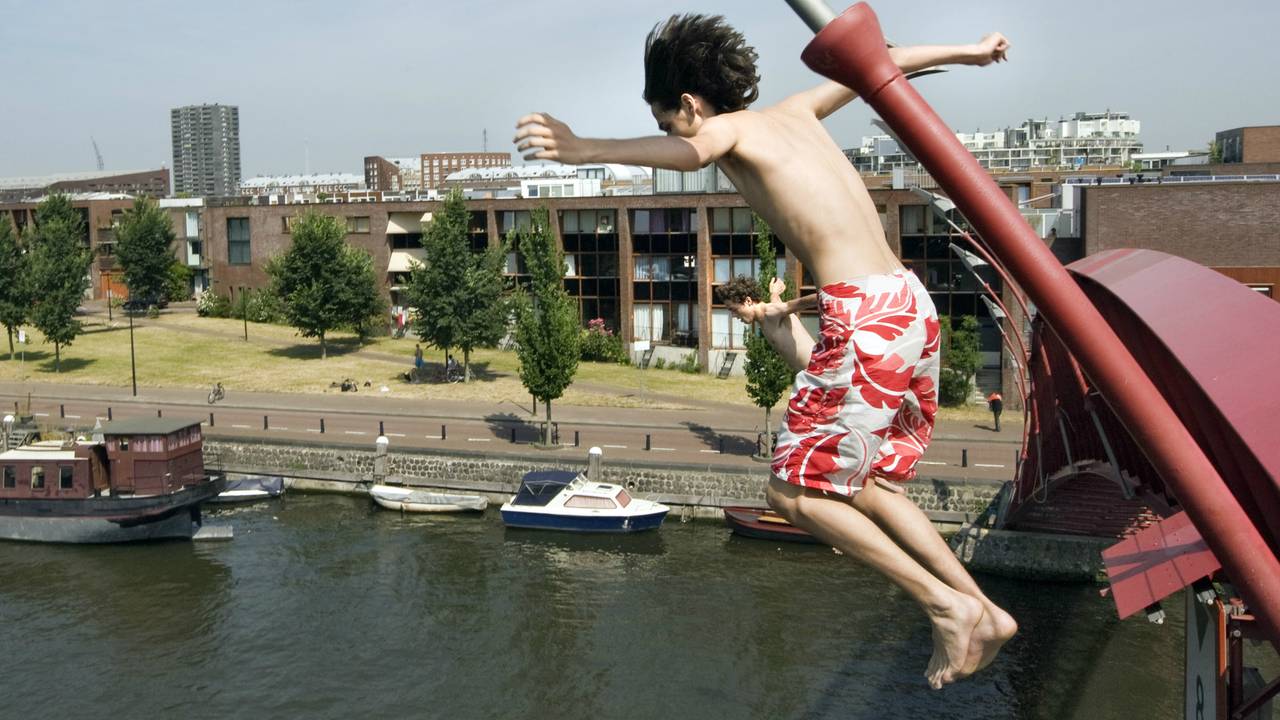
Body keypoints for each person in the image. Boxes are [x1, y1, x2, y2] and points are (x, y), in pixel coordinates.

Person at [515, 15, 1016, 689]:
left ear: (690, 105)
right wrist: (971, 51)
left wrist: (583, 149)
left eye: (667, 122)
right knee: (872, 484)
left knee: (791, 492)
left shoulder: (727, 130)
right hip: (907, 304)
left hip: (865, 317)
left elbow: (696, 150)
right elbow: (884, 62)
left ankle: (945, 606)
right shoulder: (799, 110)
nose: (673, 135)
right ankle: (983, 609)